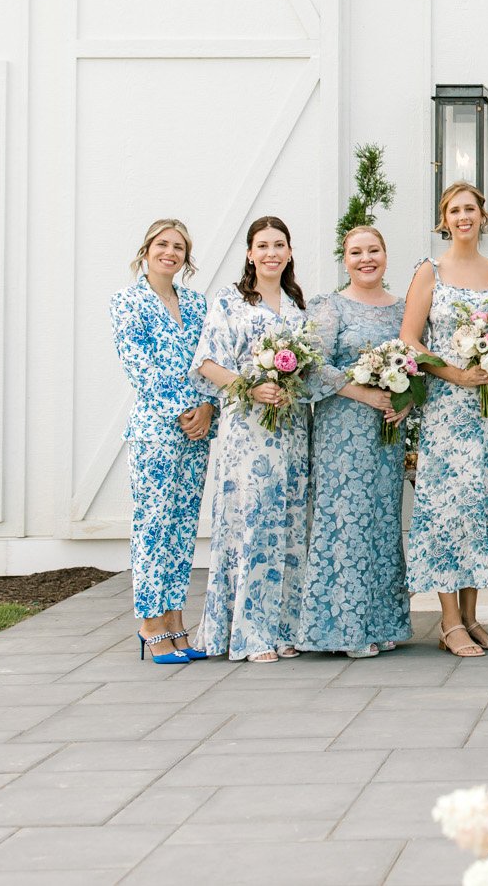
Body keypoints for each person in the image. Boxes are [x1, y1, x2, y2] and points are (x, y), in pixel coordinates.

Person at [191, 216, 312, 663]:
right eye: (262, 246)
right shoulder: (230, 300)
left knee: (289, 522)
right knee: (252, 523)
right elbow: (207, 361)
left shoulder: (299, 304)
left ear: (290, 251)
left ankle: (283, 627)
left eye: (279, 244)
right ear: (249, 253)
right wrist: (250, 385)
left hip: (294, 429)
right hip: (249, 431)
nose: (271, 253)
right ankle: (249, 633)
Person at [401, 182, 488, 657]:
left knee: (482, 506)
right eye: (454, 210)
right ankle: (449, 621)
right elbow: (409, 338)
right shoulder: (431, 270)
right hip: (449, 406)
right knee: (449, 508)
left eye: (471, 209)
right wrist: (454, 373)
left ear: (483, 216)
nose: (463, 217)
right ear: (443, 220)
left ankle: (472, 616)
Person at [299, 225, 413, 658]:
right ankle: (342, 628)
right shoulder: (330, 307)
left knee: (383, 521)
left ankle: (381, 622)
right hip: (342, 430)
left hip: (386, 432)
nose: (366, 259)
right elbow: (313, 367)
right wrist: (361, 390)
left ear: (385, 254)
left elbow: (414, 367)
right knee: (345, 520)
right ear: (344, 259)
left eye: (374, 250)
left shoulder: (402, 310)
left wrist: (405, 403)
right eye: (356, 252)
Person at [110, 218, 214, 664]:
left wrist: (207, 409)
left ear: (185, 258)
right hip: (157, 428)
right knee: (153, 525)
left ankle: (175, 619)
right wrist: (181, 410)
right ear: (146, 249)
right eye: (163, 244)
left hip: (197, 430)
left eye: (178, 247)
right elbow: (139, 365)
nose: (170, 252)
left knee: (182, 525)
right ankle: (150, 623)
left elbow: (210, 359)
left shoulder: (195, 303)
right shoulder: (127, 302)